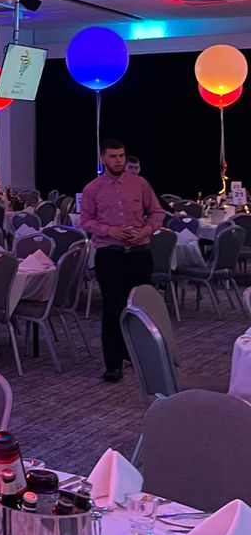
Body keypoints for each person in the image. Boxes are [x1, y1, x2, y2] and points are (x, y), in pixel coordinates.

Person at [80, 138, 164, 384]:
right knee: (113, 308)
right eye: (113, 156)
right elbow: (85, 221)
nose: (118, 160)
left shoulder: (140, 184)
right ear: (103, 159)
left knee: (140, 307)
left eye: (121, 156)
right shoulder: (92, 189)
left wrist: (145, 231)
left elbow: (157, 212)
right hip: (110, 254)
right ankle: (113, 364)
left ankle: (140, 356)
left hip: (139, 253)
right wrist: (109, 231)